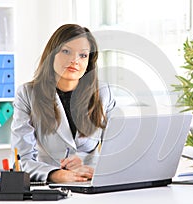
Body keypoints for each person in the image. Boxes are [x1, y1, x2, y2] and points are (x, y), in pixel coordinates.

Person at [11, 24, 116, 183]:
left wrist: (98, 170)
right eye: (66, 51)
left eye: (83, 55)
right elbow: (21, 161)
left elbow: (117, 151)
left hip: (91, 184)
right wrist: (55, 174)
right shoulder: (27, 94)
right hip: (50, 188)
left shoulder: (103, 93)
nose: (74, 60)